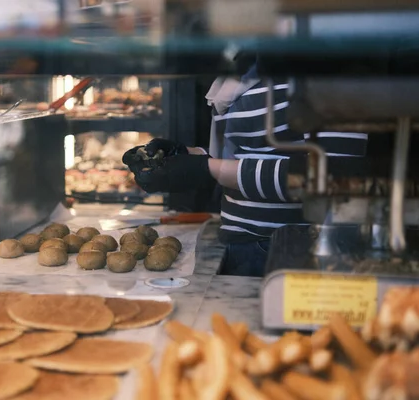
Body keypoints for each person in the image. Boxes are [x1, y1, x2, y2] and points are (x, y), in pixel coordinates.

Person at [123, 64, 367, 277]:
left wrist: (208, 169)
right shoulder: (245, 71)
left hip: (292, 252)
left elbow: (334, 176)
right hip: (243, 246)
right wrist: (187, 156)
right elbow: (246, 155)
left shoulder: (325, 69)